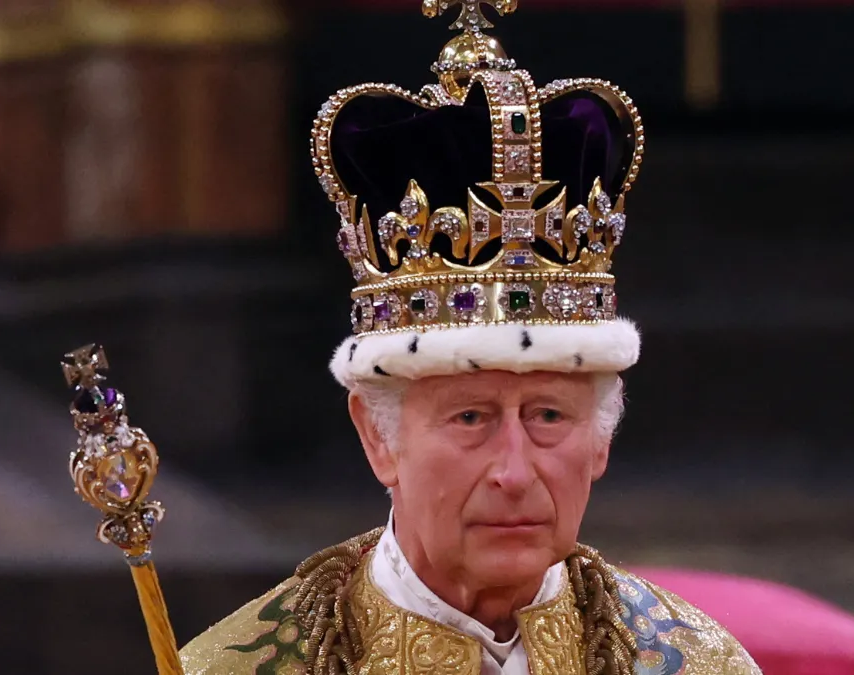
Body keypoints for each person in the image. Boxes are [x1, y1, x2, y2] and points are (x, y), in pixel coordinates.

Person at [178, 2, 761, 674]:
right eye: (471, 417)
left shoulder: (698, 664)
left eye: (547, 415)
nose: (513, 471)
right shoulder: (229, 667)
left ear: (600, 440)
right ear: (377, 436)